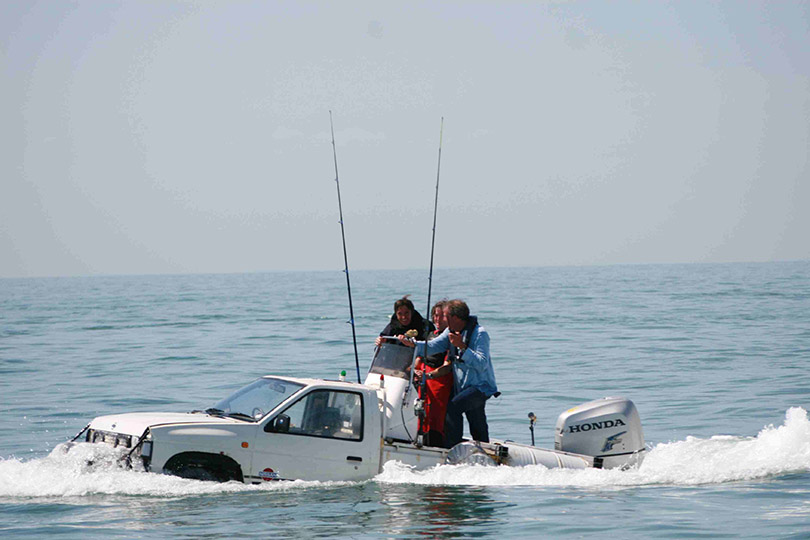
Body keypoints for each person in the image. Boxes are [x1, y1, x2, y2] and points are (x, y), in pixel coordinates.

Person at [399, 299, 497, 448]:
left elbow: (481, 364)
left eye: (445, 316)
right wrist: (413, 344)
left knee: (453, 408)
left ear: (456, 318)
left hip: (480, 387)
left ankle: (452, 447)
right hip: (463, 388)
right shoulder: (450, 332)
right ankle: (481, 448)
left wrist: (462, 347)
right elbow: (432, 346)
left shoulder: (479, 334)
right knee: (476, 420)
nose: (443, 320)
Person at [413, 300, 453, 448]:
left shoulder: (450, 337)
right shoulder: (429, 334)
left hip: (439, 379)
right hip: (423, 376)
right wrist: (413, 370)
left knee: (436, 414)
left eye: (441, 316)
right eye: (435, 316)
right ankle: (419, 437)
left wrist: (429, 375)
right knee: (421, 410)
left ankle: (437, 442)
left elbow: (447, 365)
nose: (437, 319)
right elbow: (419, 356)